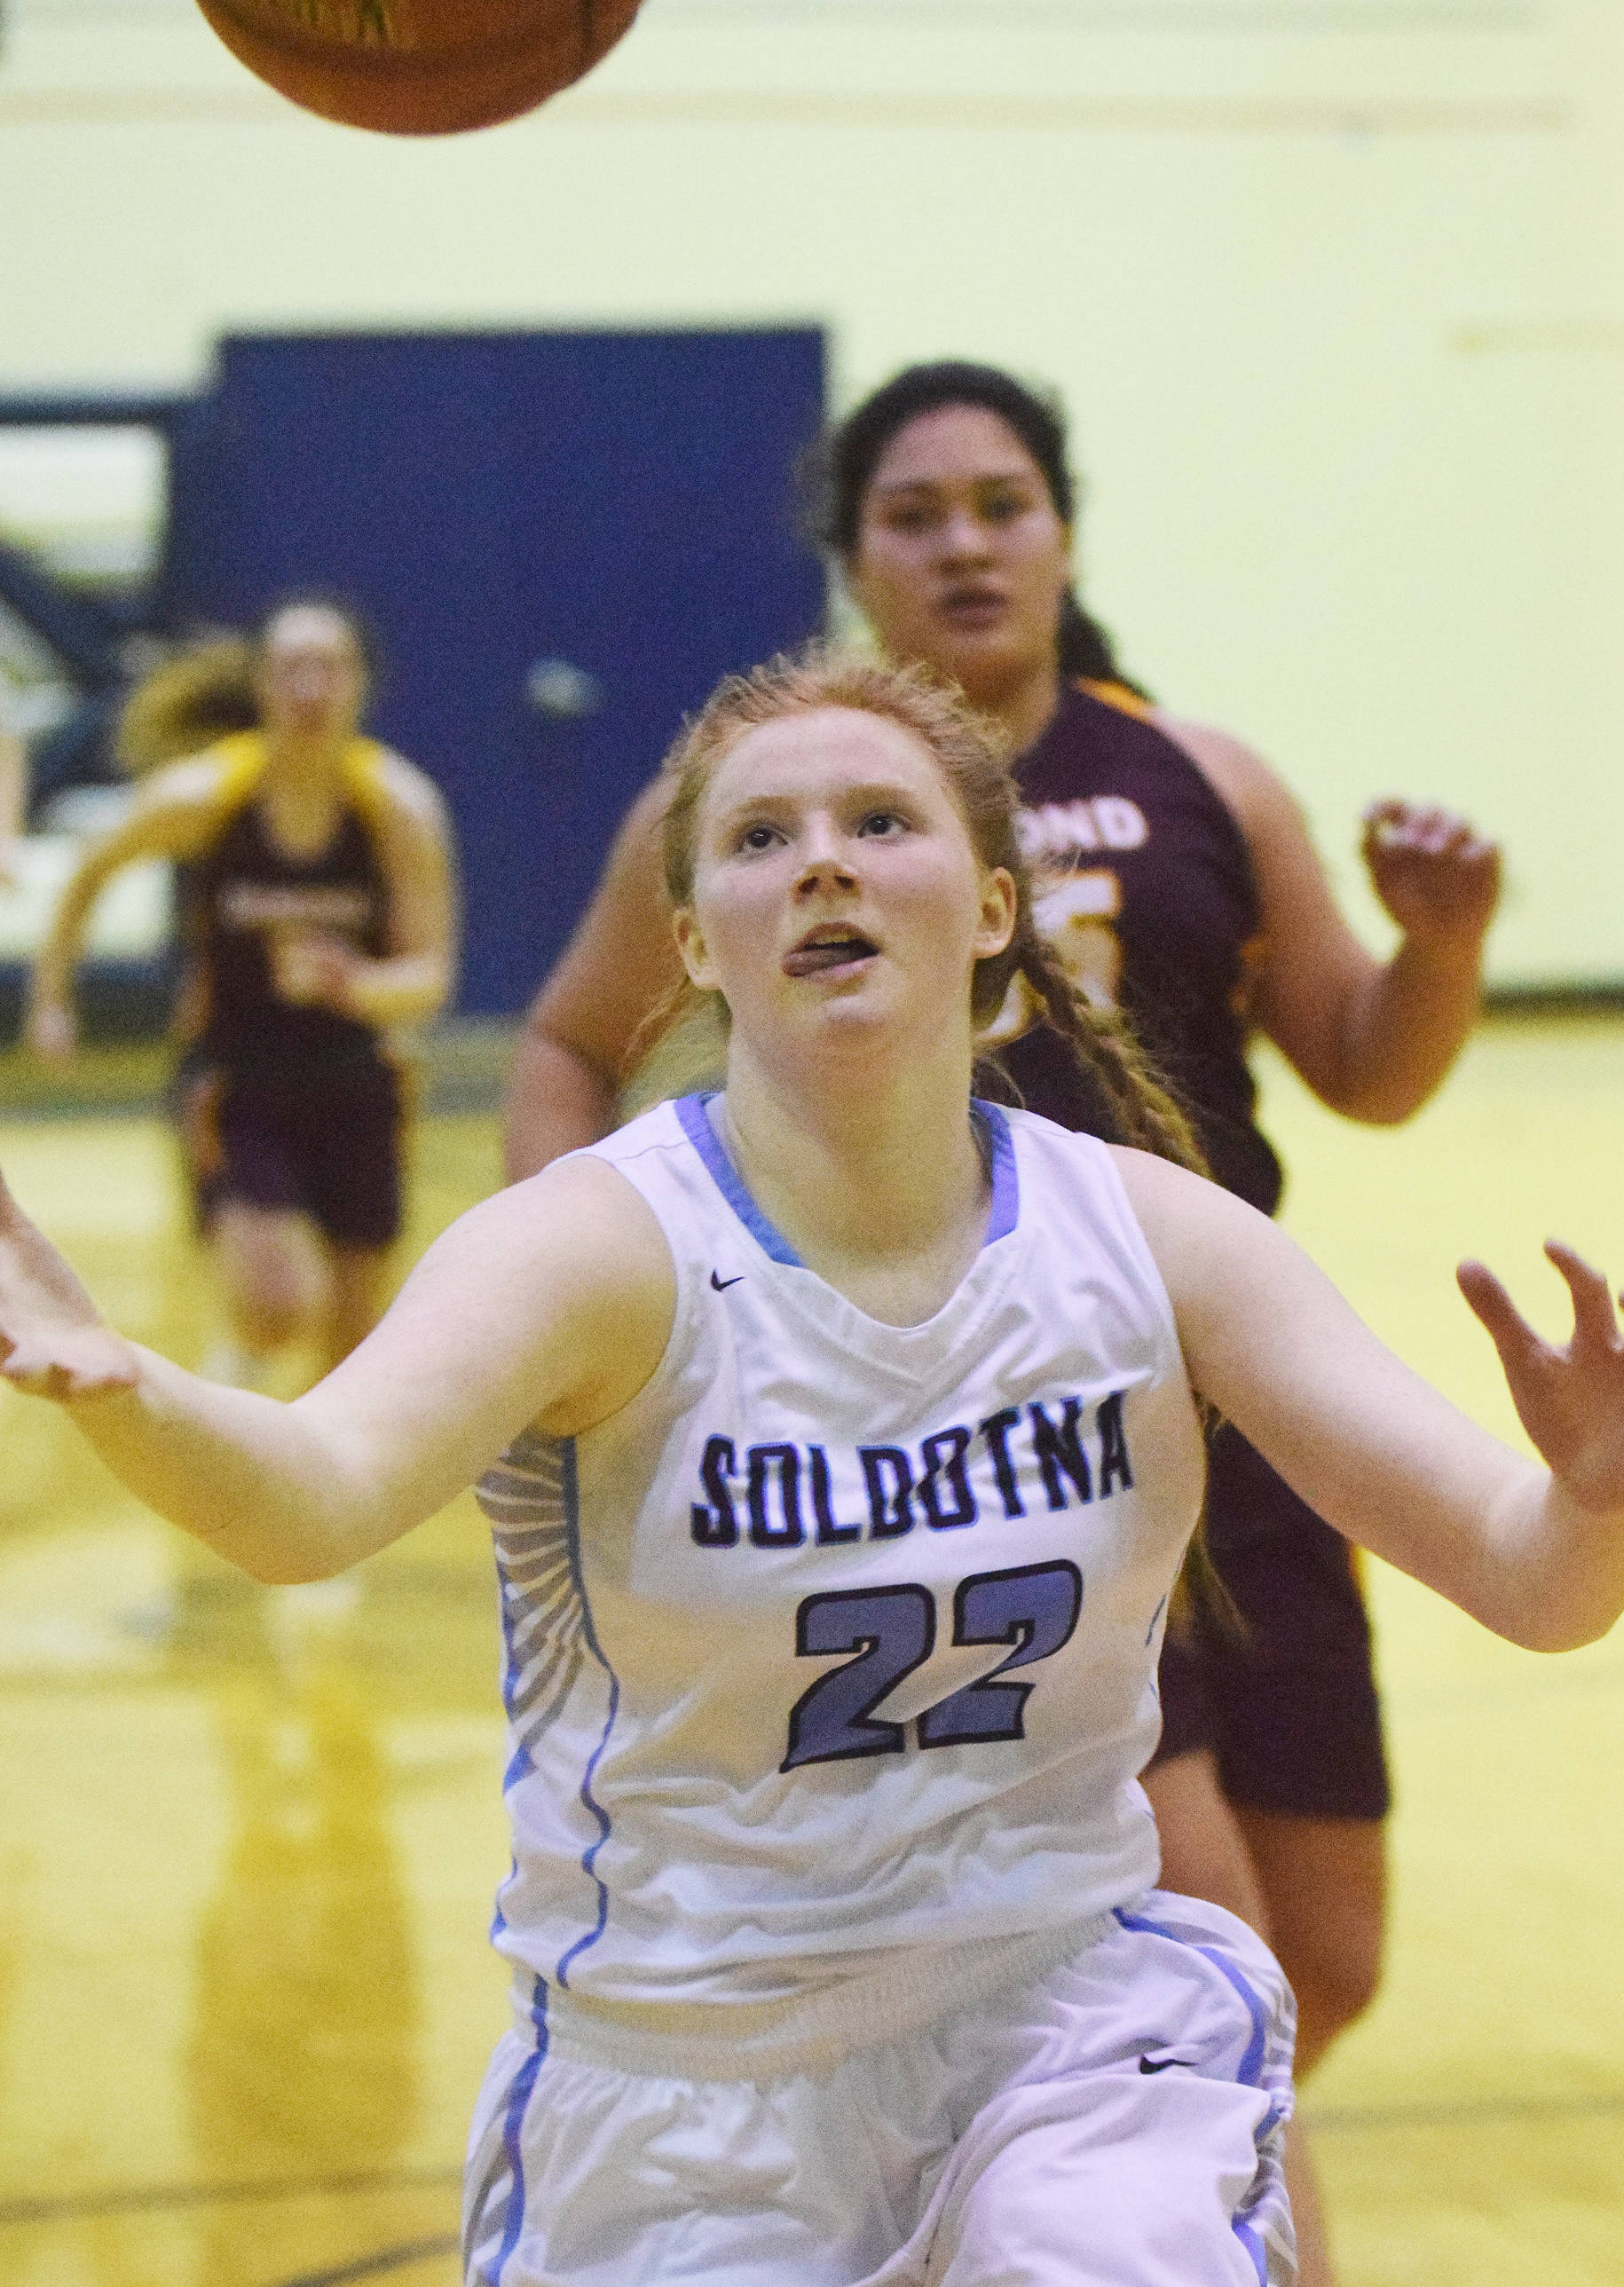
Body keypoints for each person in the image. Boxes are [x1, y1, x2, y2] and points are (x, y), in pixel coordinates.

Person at [0, 651, 1624, 2287]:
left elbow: (1532, 1578)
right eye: (760, 837)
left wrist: (1594, 1498)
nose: (821, 861)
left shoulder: (1149, 1239)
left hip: (1057, 2017)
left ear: (988, 907)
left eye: (880, 822)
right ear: (695, 940)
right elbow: (315, 1493)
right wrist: (127, 1390)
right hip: (689, 2072)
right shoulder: (597, 1249)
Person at [501, 363, 1502, 2279]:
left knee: (1327, 1950)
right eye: (913, 512)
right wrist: (546, 1294)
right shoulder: (772, 803)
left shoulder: (1202, 774)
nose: (963, 542)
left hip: (1242, 1410)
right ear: (851, 555)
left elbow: (1368, 1067)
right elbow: (563, 1037)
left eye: (1001, 503)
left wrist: (1442, 949)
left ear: (1061, 531)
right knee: (1202, 1953)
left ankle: (992, 2189)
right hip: (1005, 1443)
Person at [26, 599, 457, 1381]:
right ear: (261, 683)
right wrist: (52, 999)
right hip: (240, 1079)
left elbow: (428, 978)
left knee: (356, 1350)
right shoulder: (208, 795)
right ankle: (237, 1384)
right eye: (291, 666)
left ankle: (325, 1491)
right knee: (278, 1301)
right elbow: (91, 866)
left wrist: (352, 984)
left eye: (330, 666)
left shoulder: (397, 807)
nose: (310, 686)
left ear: (360, 685)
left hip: (358, 1080)